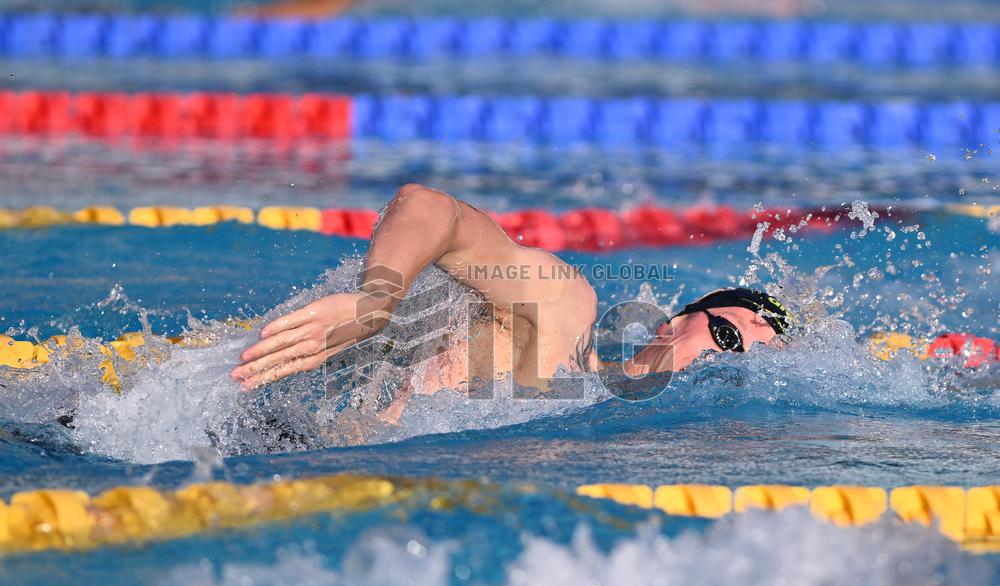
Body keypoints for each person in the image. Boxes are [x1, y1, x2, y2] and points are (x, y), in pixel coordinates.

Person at [230, 184, 791, 401]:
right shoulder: (563, 316)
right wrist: (376, 303)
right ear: (670, 322)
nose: (725, 362)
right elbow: (430, 208)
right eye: (726, 335)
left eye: (748, 362)